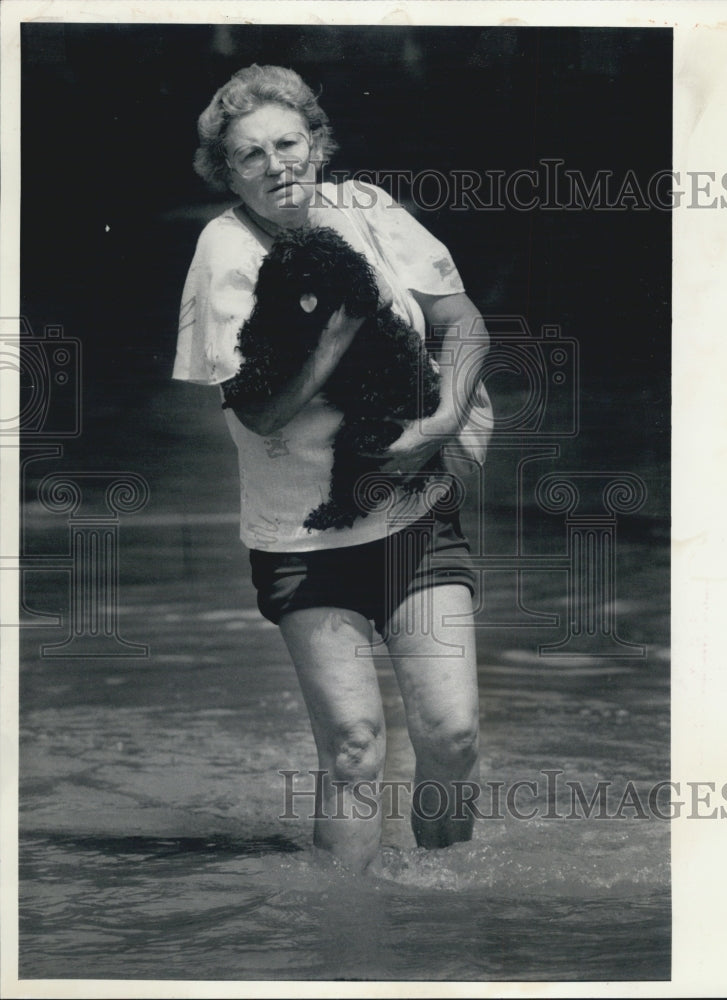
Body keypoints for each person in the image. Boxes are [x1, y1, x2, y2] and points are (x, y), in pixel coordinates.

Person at [173, 64, 491, 873]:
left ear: (316, 145)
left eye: (289, 143)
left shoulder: (369, 211)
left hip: (413, 507)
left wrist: (445, 418)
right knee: (353, 750)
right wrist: (341, 331)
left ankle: (444, 913)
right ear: (229, 172)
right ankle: (343, 946)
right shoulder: (226, 250)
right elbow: (259, 410)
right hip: (301, 541)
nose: (277, 164)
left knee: (450, 735)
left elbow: (463, 323)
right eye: (252, 155)